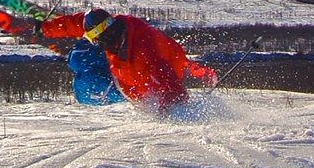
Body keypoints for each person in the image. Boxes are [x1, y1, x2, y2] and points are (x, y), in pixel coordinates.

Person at [34, 7, 216, 111]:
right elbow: (77, 23)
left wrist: (173, 110)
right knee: (79, 56)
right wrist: (46, 28)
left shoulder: (143, 55)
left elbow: (167, 80)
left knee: (86, 83)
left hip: (135, 81)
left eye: (93, 38)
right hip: (133, 62)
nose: (93, 41)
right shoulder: (115, 27)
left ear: (104, 35)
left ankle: (100, 93)